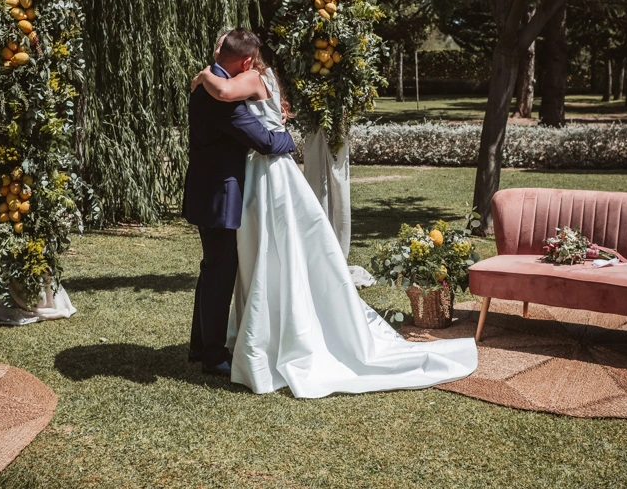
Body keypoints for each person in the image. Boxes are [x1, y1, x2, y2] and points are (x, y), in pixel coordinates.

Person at [191, 38, 478, 398]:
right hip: (258, 178)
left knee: (263, 253)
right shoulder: (251, 79)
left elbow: (249, 120)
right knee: (250, 256)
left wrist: (206, 76)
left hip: (266, 176)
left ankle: (236, 340)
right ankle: (217, 344)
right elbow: (258, 128)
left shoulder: (241, 81)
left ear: (245, 61)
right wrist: (281, 137)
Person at [183, 29, 296, 376]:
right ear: (247, 61)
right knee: (220, 271)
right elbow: (261, 140)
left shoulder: (212, 79)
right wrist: (288, 139)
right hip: (220, 194)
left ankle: (202, 345)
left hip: (208, 188)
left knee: (212, 269)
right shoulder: (222, 97)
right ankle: (213, 355)